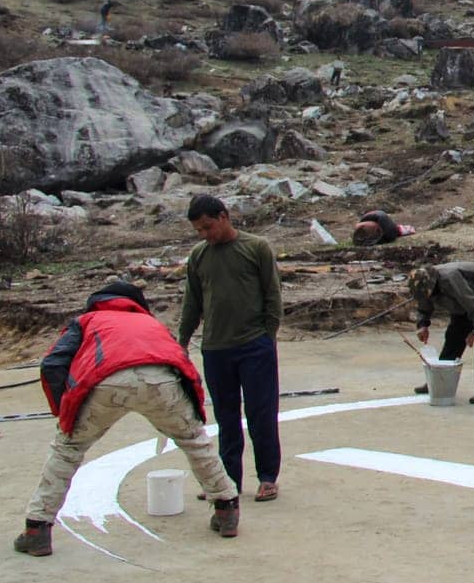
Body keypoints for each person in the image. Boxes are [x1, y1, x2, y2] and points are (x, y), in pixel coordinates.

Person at [15, 282, 240, 556]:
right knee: (195, 442)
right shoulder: (151, 324)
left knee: (67, 450)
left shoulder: (87, 321)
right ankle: (227, 509)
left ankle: (37, 529)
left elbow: (52, 364)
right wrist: (194, 415)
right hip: (163, 381)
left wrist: (64, 411)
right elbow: (184, 365)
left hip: (105, 381)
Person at [180, 195, 283, 503]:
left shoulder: (257, 248)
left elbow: (272, 296)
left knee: (261, 413)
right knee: (226, 418)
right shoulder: (198, 256)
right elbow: (192, 303)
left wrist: (268, 336)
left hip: (254, 346)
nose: (205, 235)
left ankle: (267, 478)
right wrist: (181, 342)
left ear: (224, 217)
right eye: (199, 230)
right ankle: (228, 482)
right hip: (215, 349)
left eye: (208, 227)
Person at [409, 262, 474, 404]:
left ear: (433, 285)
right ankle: (439, 382)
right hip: (463, 301)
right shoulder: (427, 286)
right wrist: (422, 324)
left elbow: (472, 304)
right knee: (454, 336)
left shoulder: (450, 279)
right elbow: (424, 302)